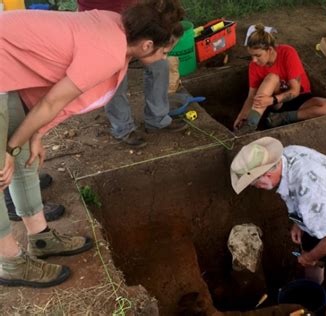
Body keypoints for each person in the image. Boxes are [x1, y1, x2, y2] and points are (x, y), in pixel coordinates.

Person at [0, 0, 184, 287]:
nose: (163, 58)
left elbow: (60, 99)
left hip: (8, 64)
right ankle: (9, 263)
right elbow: (52, 101)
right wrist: (9, 149)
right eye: (164, 51)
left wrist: (33, 136)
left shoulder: (117, 27)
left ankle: (40, 238)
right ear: (147, 46)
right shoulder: (107, 53)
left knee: (22, 158)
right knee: (0, 169)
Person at [230, 137, 326, 298]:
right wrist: (298, 222)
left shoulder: (309, 191)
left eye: (255, 184)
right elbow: (299, 196)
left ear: (268, 175)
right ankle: (313, 290)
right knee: (309, 252)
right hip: (323, 210)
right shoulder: (287, 155)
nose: (257, 188)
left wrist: (310, 258)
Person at [78, 0, 187, 148]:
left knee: (159, 63)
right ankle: (123, 128)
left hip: (140, 17)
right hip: (101, 22)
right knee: (114, 78)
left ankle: (158, 119)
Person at [233, 24, 326, 135]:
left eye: (258, 55)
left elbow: (295, 91)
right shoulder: (254, 66)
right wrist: (242, 117)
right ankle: (250, 125)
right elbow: (251, 97)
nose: (254, 60)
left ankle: (281, 118)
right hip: (276, 103)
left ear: (269, 50)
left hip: (299, 98)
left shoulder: (287, 53)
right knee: (272, 77)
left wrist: (272, 100)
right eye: (251, 56)